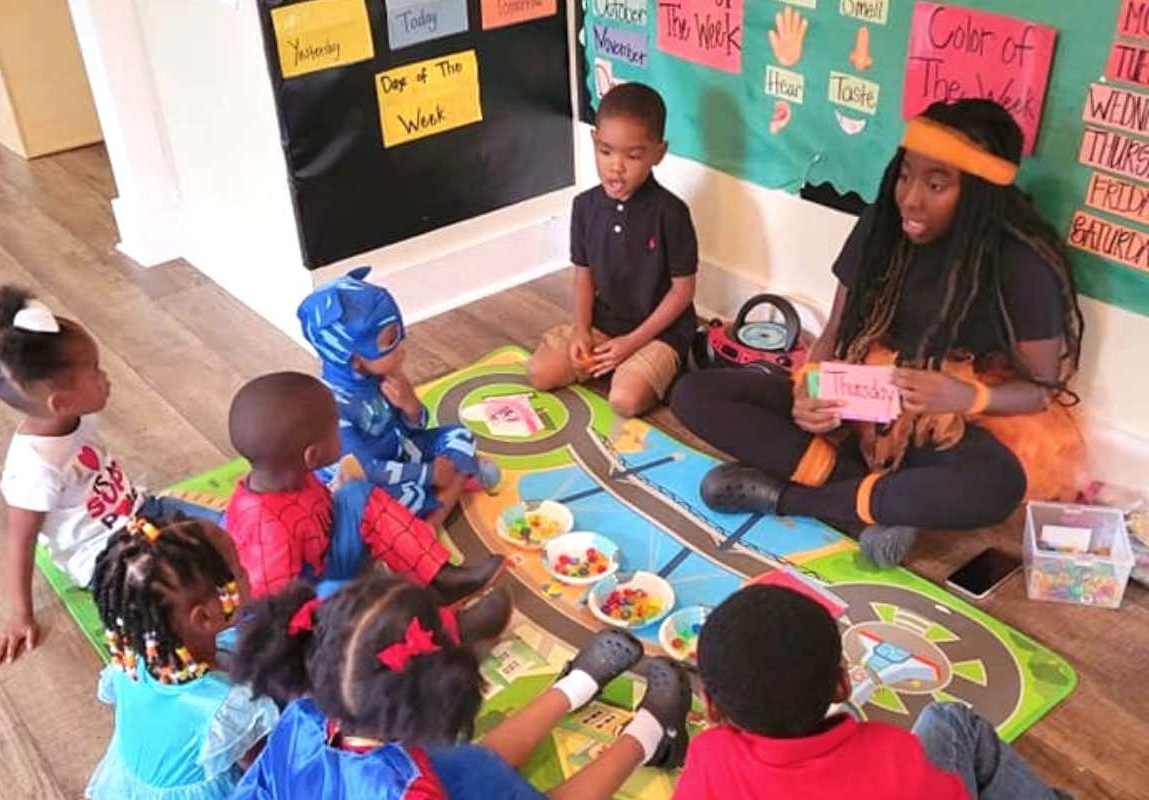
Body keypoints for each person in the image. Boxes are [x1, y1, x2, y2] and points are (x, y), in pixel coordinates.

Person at [672, 99, 1085, 566]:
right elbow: (833, 332)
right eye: (906, 176)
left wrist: (964, 396)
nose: (910, 198)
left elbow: (1039, 393)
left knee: (997, 485)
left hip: (947, 425)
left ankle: (789, 498)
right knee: (693, 394)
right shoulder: (883, 224)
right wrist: (808, 389)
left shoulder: (1020, 263)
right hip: (857, 406)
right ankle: (876, 495)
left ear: (978, 192)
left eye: (936, 185)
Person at [228, 572, 692, 800]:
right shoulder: (409, 789)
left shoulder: (303, 717)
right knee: (484, 767)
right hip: (391, 784)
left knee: (479, 761)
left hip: (378, 774)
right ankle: (652, 734)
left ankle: (573, 686)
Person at [0, 285, 222, 666]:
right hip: (108, 556)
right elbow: (20, 545)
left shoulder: (73, 416)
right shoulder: (35, 470)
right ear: (60, 402)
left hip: (144, 510)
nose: (106, 377)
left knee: (228, 530)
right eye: (96, 373)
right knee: (177, 606)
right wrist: (20, 616)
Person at [674, 584, 1072, 800]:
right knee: (951, 721)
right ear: (842, 684)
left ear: (711, 706)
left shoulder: (709, 761)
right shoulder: (897, 755)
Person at [224, 371, 505, 603]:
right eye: (335, 428)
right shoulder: (267, 531)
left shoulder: (288, 474)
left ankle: (439, 580)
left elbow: (324, 510)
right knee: (353, 598)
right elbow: (277, 613)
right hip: (312, 604)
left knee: (358, 492)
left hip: (329, 552)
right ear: (312, 455)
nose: (342, 433)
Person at [526, 82, 698, 418]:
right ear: (594, 142)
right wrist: (581, 331)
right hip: (605, 324)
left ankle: (662, 368)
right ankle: (613, 364)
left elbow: (683, 292)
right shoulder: (584, 206)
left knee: (624, 399)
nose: (615, 167)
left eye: (632, 156)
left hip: (657, 331)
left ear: (658, 153)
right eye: (606, 152)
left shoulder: (671, 212)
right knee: (539, 372)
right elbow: (583, 277)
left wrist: (631, 344)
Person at [85, 516, 279, 799]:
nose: (247, 571)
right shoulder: (228, 707)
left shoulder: (130, 663)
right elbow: (263, 772)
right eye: (238, 570)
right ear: (204, 617)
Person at [297, 268, 499, 530]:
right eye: (390, 341)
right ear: (354, 358)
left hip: (400, 455)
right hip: (367, 479)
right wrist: (429, 473)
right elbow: (364, 469)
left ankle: (436, 509)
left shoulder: (383, 375)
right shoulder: (331, 407)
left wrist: (411, 405)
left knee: (461, 436)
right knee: (391, 502)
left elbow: (415, 428)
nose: (401, 349)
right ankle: (433, 518)